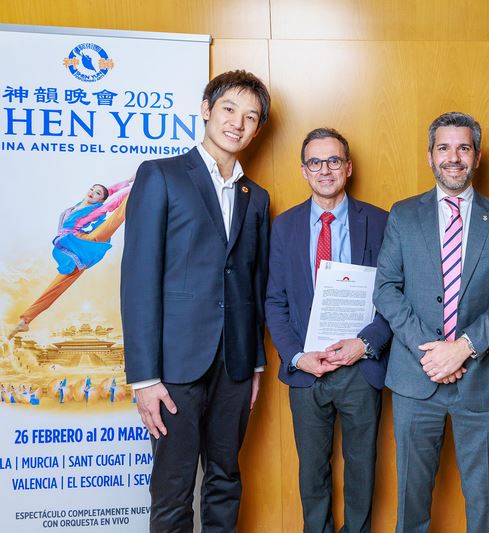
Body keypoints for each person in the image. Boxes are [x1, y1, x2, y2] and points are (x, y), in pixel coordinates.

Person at [121, 70, 270, 532]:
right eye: (229, 109)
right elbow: (138, 279)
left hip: (235, 365)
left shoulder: (256, 197)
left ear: (257, 129)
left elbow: (253, 284)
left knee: (226, 480)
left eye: (251, 117)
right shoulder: (160, 175)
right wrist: (144, 378)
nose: (237, 123)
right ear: (206, 109)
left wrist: (255, 363)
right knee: (173, 490)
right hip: (174, 367)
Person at [374, 112, 489, 532]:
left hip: (481, 379)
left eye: (463, 147)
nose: (453, 157)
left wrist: (463, 348)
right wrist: (432, 353)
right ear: (430, 156)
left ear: (477, 156)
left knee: (483, 505)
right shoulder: (403, 214)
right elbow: (385, 289)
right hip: (416, 379)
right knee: (411, 505)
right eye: (443, 148)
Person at [266, 128, 392, 532]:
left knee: (362, 470)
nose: (325, 170)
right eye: (315, 162)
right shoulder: (284, 227)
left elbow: (395, 296)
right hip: (307, 370)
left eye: (333, 160)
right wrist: (297, 357)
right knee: (312, 473)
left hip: (360, 367)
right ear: (304, 171)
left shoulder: (380, 221)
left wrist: (365, 343)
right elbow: (275, 302)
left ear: (348, 167)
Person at [8, 178, 133, 338]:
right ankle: (25, 320)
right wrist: (128, 180)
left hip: (84, 243)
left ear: (100, 200)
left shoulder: (96, 209)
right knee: (55, 287)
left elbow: (113, 201)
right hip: (70, 249)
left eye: (97, 193)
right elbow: (109, 190)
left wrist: (132, 187)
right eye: (92, 189)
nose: (92, 193)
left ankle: (134, 194)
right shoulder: (79, 204)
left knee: (114, 220)